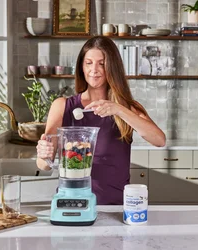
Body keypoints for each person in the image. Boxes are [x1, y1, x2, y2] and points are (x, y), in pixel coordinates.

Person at [36, 36, 166, 205]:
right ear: (81, 67)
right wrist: (44, 154)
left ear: (112, 67)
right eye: (88, 63)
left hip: (115, 207)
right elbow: (44, 165)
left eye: (102, 63)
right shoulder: (62, 106)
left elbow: (159, 140)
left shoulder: (127, 108)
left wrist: (118, 109)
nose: (94, 69)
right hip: (72, 203)